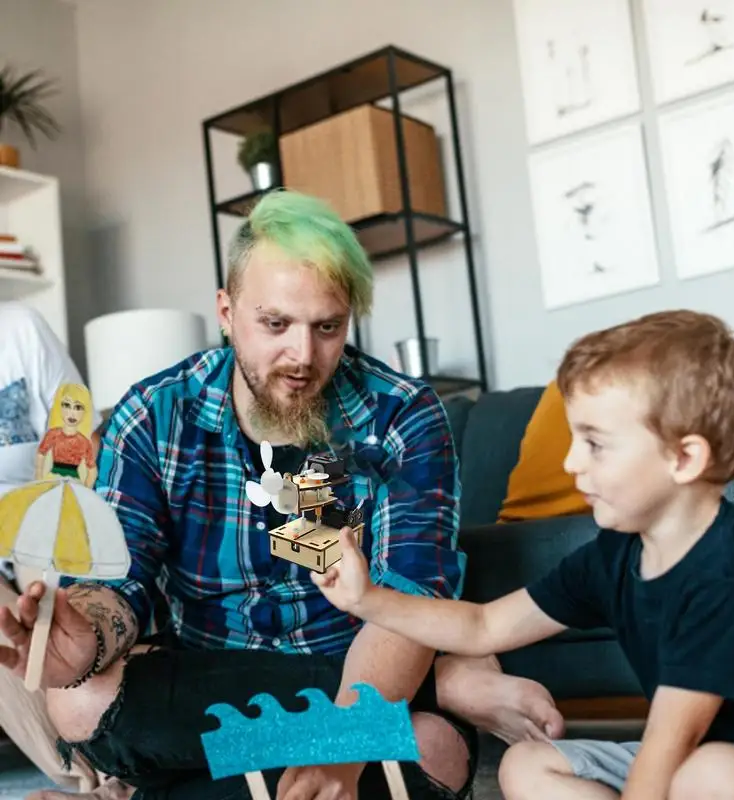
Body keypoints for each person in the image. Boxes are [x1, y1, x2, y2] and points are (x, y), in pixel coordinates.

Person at [0, 190, 561, 800]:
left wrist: (341, 749)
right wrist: (93, 635)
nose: (302, 356)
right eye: (275, 324)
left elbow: (408, 599)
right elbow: (119, 584)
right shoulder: (152, 415)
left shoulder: (405, 415)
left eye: (328, 327)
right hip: (214, 677)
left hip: (360, 670)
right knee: (79, 700)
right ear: (226, 309)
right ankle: (434, 694)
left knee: (435, 748)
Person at [313, 309, 734, 800]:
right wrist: (367, 599)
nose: (572, 464)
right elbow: (483, 627)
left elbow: (672, 738)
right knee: (527, 765)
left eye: (595, 444)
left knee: (710, 775)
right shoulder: (616, 553)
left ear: (685, 457)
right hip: (683, 761)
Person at [0, 301, 102, 793]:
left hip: (40, 514)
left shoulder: (19, 327)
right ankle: (89, 781)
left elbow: (82, 442)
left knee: (49, 606)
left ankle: (110, 768)